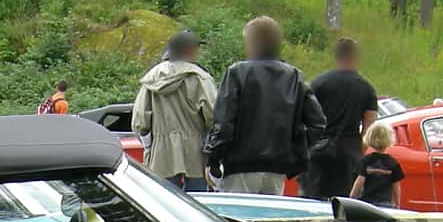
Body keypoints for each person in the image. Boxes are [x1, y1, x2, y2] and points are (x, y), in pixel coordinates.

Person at [203, 16, 323, 195]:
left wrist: (213, 158)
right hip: (277, 167)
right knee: (268, 220)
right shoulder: (294, 77)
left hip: (240, 164)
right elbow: (317, 123)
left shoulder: (237, 73)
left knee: (236, 219)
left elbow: (224, 123)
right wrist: (294, 150)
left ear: (252, 42)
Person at [133, 29, 217, 191]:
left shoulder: (152, 78)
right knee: (197, 206)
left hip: (161, 153)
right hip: (195, 153)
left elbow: (140, 120)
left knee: (165, 206)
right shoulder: (200, 78)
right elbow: (213, 115)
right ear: (190, 50)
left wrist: (150, 145)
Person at [304, 37, 379, 200]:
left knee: (312, 203)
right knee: (343, 207)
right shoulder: (366, 88)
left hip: (319, 153)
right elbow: (368, 130)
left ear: (336, 57)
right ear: (355, 57)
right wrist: (358, 152)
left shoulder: (318, 83)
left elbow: (304, 119)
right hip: (348, 154)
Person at [349, 122, 404, 207]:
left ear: (369, 138)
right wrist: (397, 204)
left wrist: (352, 197)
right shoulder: (393, 163)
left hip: (367, 202)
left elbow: (360, 180)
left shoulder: (365, 160)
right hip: (385, 203)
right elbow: (396, 186)